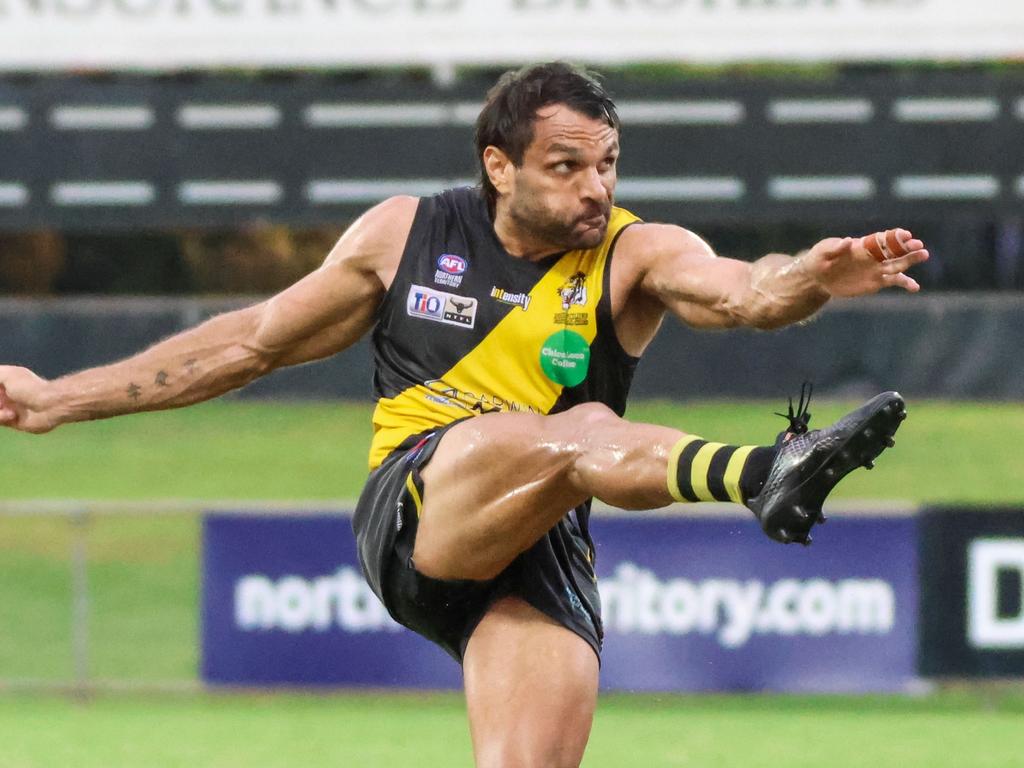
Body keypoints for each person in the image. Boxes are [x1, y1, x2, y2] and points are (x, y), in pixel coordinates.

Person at [0, 62, 926, 767]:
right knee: (586, 431)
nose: (595, 189)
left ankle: (768, 474)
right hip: (419, 507)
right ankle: (767, 473)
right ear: (499, 164)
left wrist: (809, 276)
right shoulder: (406, 234)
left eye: (606, 165)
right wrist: (53, 398)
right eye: (566, 167)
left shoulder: (638, 252)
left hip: (544, 544)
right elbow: (250, 343)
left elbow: (742, 293)